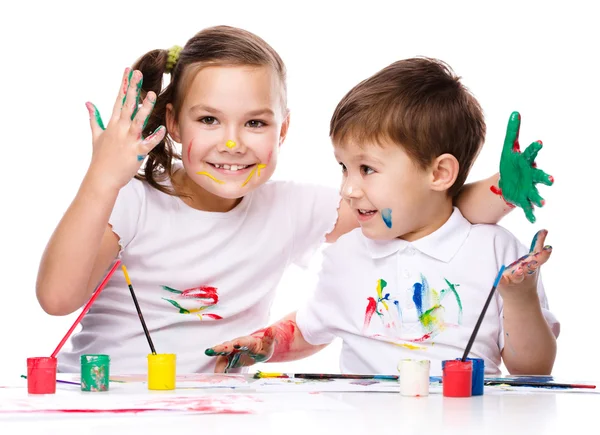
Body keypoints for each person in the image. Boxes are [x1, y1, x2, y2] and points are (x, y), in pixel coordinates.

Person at [207, 57, 558, 376]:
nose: (348, 189)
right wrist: (266, 343)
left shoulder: (497, 253)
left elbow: (533, 368)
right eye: (344, 168)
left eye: (367, 169)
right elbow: (309, 329)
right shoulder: (348, 253)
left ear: (438, 174)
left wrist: (520, 297)